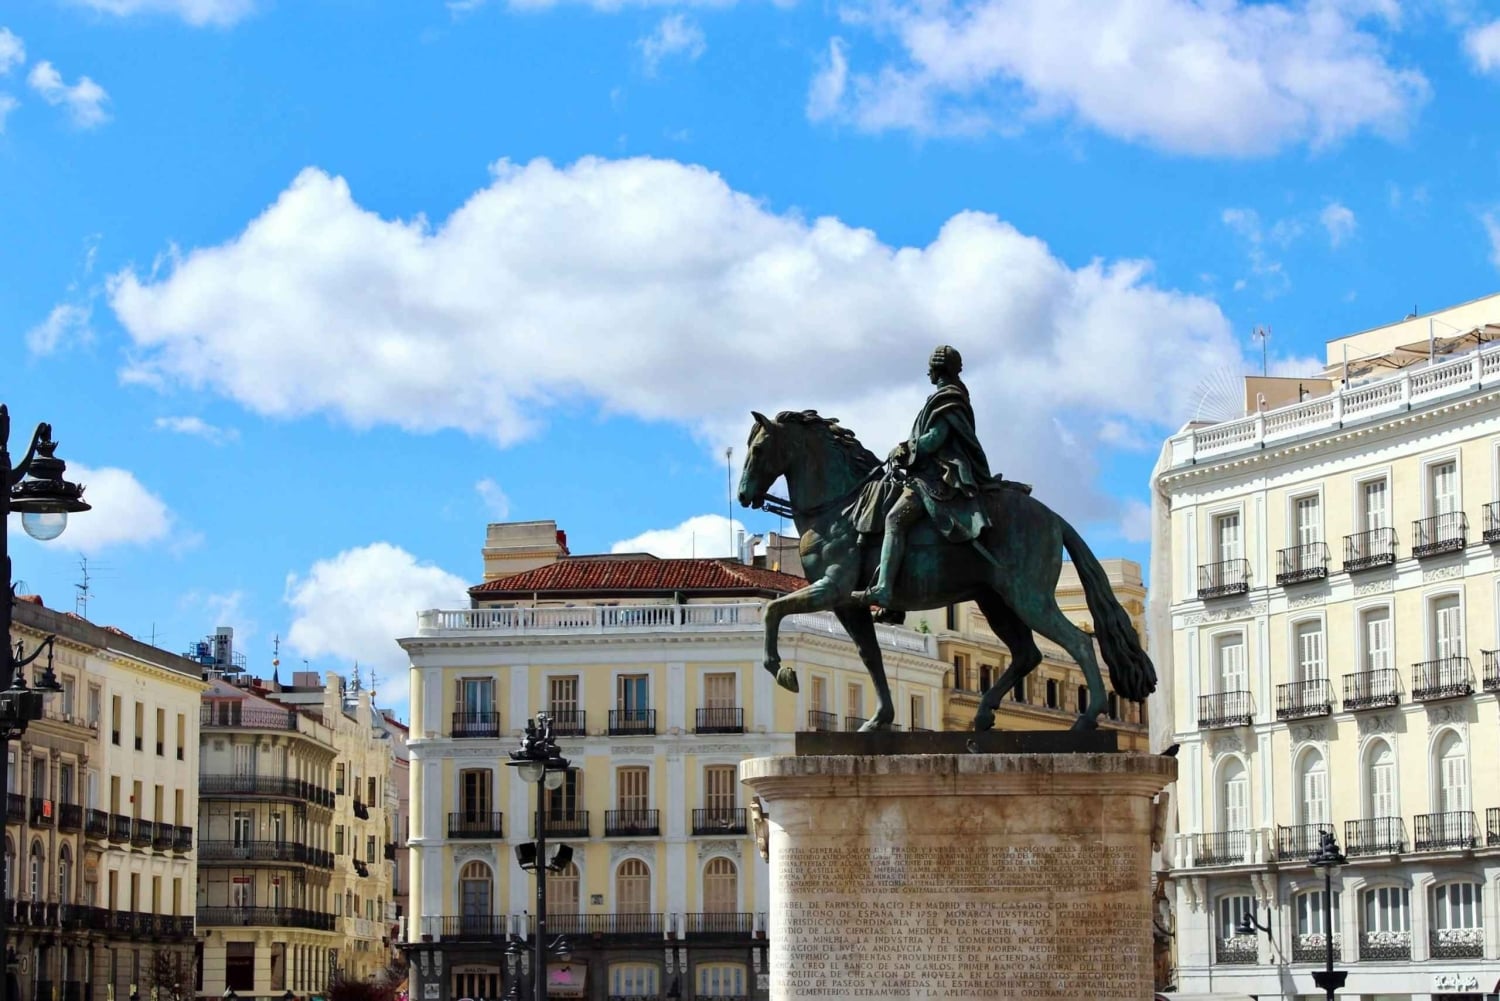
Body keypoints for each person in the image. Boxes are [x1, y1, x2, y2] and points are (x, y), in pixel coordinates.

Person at [854, 344, 1002, 607]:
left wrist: (906, 448)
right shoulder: (949, 397)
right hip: (925, 472)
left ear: (937, 370)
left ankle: (884, 589)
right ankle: (896, 598)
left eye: (930, 370)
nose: (928, 375)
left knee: (894, 521)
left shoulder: (948, 399)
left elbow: (935, 439)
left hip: (937, 477)